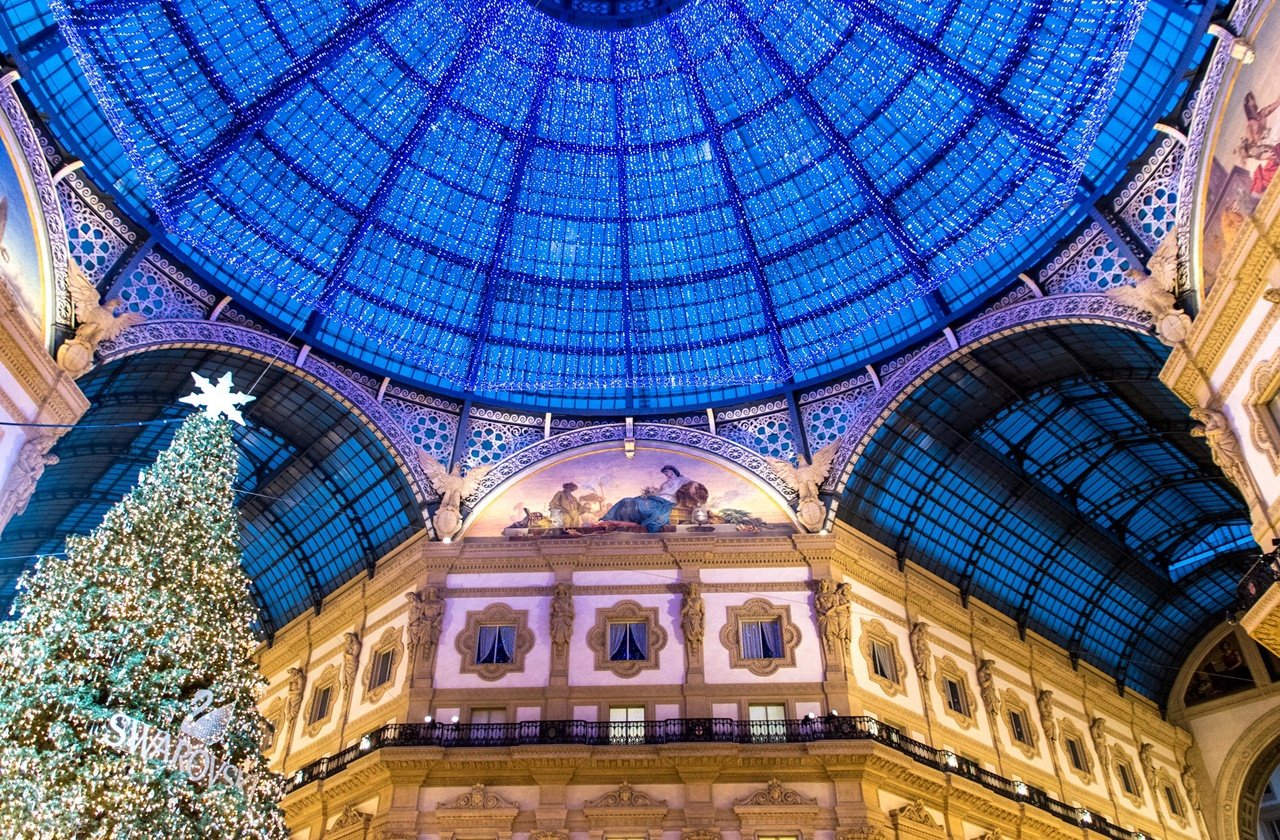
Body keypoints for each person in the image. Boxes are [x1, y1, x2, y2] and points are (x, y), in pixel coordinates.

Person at [601, 465, 691, 533]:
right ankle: (607, 519)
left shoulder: (681, 480)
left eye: (666, 472)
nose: (666, 474)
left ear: (672, 471)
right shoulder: (666, 482)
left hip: (665, 502)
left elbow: (689, 490)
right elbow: (659, 492)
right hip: (656, 498)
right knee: (626, 500)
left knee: (637, 503)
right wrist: (650, 493)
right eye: (665, 473)